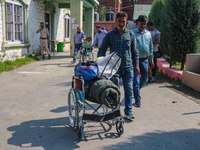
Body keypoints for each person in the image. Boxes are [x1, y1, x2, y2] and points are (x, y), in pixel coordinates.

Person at [97, 11, 140, 120]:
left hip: (128, 68)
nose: (121, 24)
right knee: (114, 91)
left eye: (123, 22)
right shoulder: (109, 35)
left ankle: (128, 112)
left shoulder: (131, 35)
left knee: (129, 89)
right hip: (114, 69)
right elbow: (102, 49)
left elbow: (135, 51)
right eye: (119, 21)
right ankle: (115, 110)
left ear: (126, 22)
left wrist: (137, 65)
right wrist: (99, 63)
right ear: (116, 21)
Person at [132, 15, 154, 107]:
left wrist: (151, 60)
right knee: (136, 80)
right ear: (138, 23)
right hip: (135, 61)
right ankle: (138, 99)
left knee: (145, 78)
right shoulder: (132, 33)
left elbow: (150, 47)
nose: (143, 25)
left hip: (145, 60)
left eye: (145, 24)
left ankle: (136, 90)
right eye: (141, 23)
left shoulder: (148, 34)